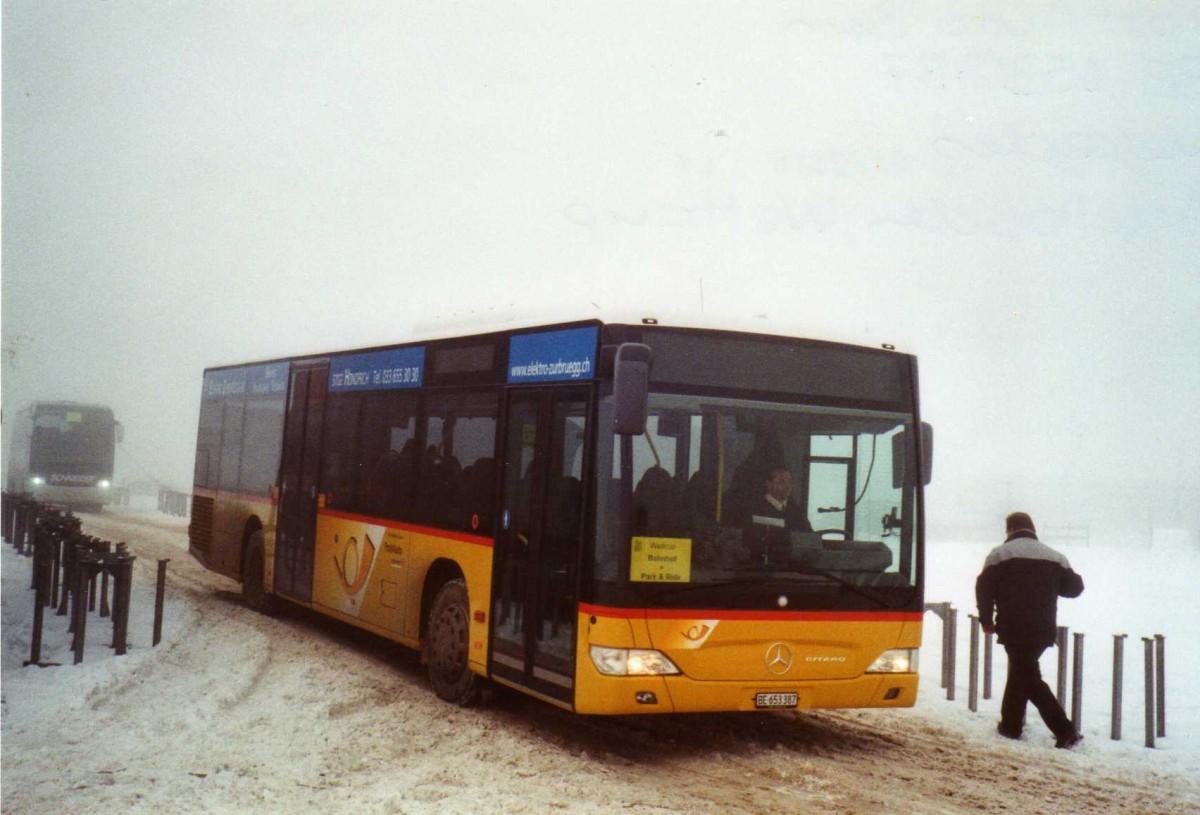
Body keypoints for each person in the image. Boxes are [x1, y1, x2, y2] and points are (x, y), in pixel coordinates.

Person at [976, 512, 1085, 749]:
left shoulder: (1000, 554)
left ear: (1010, 529)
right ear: (1032, 529)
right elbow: (1075, 588)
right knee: (1022, 673)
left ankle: (1065, 730)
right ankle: (1011, 726)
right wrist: (1048, 586)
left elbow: (983, 588)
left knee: (1028, 678)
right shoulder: (1055, 556)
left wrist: (985, 619)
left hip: (1012, 627)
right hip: (1043, 629)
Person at [749, 466, 813, 532]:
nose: (787, 486)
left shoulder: (796, 509)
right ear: (768, 484)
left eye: (789, 482)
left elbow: (809, 535)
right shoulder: (756, 507)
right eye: (782, 482)